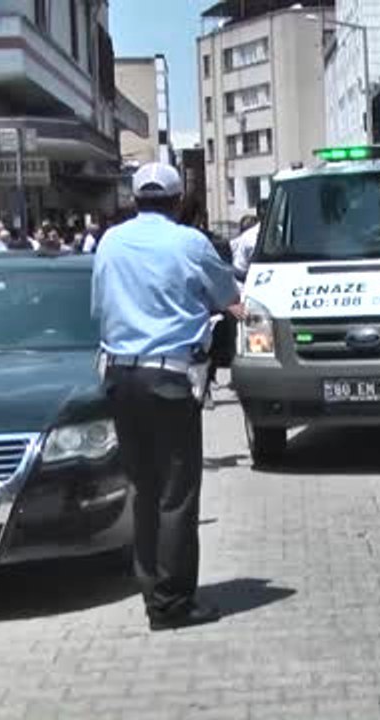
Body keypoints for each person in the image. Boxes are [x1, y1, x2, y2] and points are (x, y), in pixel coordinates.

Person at [91, 162, 242, 631]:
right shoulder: (190, 243)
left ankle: (151, 590)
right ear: (177, 202)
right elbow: (229, 297)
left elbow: (98, 307)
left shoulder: (109, 242)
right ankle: (173, 603)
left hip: (120, 376)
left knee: (144, 489)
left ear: (135, 200)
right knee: (176, 493)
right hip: (170, 379)